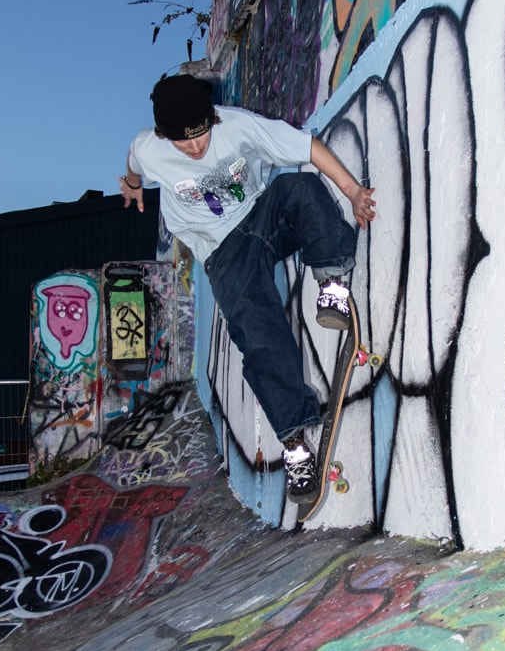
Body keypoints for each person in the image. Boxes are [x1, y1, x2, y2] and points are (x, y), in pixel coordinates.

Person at [119, 74, 376, 503]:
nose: (197, 147)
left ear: (211, 119)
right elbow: (132, 163)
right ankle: (295, 445)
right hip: (221, 251)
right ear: (165, 137)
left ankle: (331, 284)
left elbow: (306, 148)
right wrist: (130, 185)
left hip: (262, 216)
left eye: (202, 133)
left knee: (299, 188)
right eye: (184, 143)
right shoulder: (149, 148)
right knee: (258, 336)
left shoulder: (236, 125)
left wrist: (351, 192)